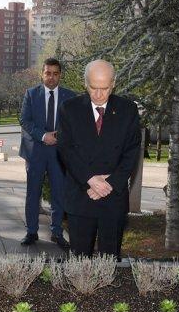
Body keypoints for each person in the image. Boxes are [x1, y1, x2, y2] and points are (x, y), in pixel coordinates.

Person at [57, 60, 141, 257]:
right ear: (85, 84)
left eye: (104, 88)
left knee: (109, 260)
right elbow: (65, 149)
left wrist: (109, 183)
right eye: (93, 87)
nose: (98, 94)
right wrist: (91, 180)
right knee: (78, 261)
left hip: (113, 198)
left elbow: (132, 152)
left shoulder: (128, 110)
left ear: (113, 84)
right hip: (81, 195)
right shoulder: (69, 108)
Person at [19, 58, 76, 249]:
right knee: (32, 193)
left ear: (60, 75)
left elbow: (73, 123)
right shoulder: (31, 94)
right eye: (48, 73)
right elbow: (25, 121)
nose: (51, 77)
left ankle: (57, 232)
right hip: (35, 151)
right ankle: (31, 232)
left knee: (59, 194)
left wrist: (59, 136)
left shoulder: (70, 97)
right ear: (42, 74)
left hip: (59, 153)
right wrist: (43, 136)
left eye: (55, 73)